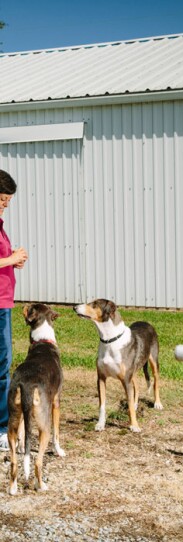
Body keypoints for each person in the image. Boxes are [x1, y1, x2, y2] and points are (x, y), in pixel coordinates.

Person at [0, 170, 27, 450]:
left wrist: (11, 262)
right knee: (2, 365)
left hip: (4, 300)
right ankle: (1, 428)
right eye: (3, 199)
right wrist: (12, 258)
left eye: (8, 201)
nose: (5, 204)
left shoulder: (0, 225)